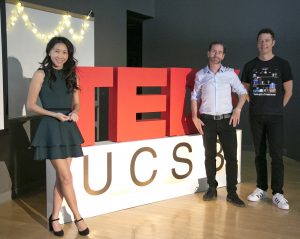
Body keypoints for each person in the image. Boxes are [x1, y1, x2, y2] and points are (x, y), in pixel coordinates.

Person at [27, 36, 90, 236]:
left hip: (68, 127)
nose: (60, 56)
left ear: (69, 55)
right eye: (56, 51)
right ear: (49, 51)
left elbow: (77, 103)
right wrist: (54, 114)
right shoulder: (40, 74)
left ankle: (54, 217)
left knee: (62, 179)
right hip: (50, 127)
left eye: (64, 52)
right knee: (66, 177)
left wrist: (75, 112)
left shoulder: (73, 75)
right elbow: (31, 105)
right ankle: (78, 218)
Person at [191, 41, 248, 207]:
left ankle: (232, 193)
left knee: (231, 158)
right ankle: (212, 188)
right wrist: (195, 117)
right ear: (208, 53)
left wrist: (237, 110)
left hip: (227, 120)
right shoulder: (201, 75)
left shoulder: (230, 74)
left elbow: (243, 93)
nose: (216, 54)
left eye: (220, 52)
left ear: (223, 56)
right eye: (214, 51)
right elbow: (194, 96)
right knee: (210, 156)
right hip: (207, 120)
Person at [241, 28, 293, 210]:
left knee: (277, 155)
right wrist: (253, 104)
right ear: (257, 44)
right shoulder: (250, 66)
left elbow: (289, 91)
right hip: (256, 116)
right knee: (259, 154)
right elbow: (244, 89)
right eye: (261, 41)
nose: (264, 44)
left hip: (275, 117)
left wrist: (278, 107)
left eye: (267, 40)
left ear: (273, 42)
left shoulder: (283, 64)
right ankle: (261, 187)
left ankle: (278, 192)